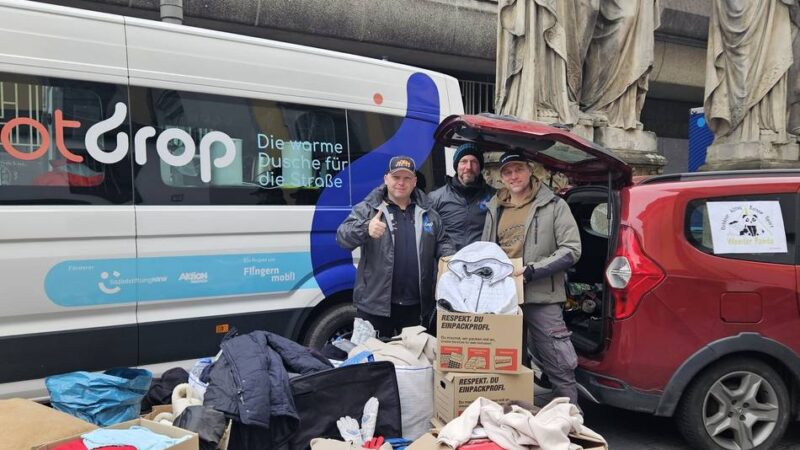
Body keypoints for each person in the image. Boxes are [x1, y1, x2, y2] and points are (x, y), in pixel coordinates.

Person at [482, 151, 582, 405]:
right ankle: (517, 418)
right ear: (501, 177)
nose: (513, 176)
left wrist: (532, 271)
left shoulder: (554, 205)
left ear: (530, 171)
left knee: (557, 360)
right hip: (503, 297)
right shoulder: (495, 206)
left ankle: (571, 418)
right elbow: (487, 249)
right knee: (508, 363)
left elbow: (572, 250)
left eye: (518, 169)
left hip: (541, 294)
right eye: (507, 172)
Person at [336, 155, 455, 337]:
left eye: (407, 178)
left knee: (414, 362)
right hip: (375, 307)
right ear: (386, 179)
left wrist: (452, 259)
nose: (401, 182)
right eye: (396, 177)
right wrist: (365, 228)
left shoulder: (429, 213)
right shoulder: (368, 208)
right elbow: (342, 237)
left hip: (417, 308)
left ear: (414, 182)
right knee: (374, 362)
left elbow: (443, 242)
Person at [430, 143, 495, 251]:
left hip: (481, 262)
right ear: (456, 166)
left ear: (480, 167)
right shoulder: (435, 198)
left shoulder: (493, 196)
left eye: (474, 162)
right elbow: (428, 235)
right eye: (463, 161)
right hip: (448, 262)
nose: (469, 167)